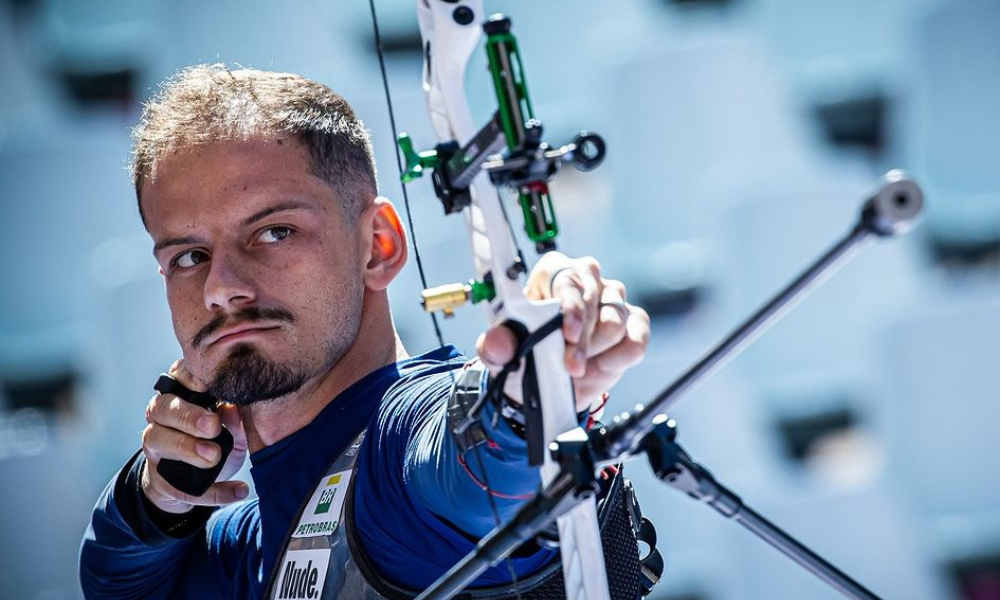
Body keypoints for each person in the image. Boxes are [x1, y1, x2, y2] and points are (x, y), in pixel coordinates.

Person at [79, 64, 651, 600]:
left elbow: (472, 466)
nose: (220, 287)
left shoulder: (394, 457)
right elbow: (110, 582)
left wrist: (536, 388)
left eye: (274, 232)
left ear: (378, 246)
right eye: (188, 256)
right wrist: (156, 498)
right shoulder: (247, 540)